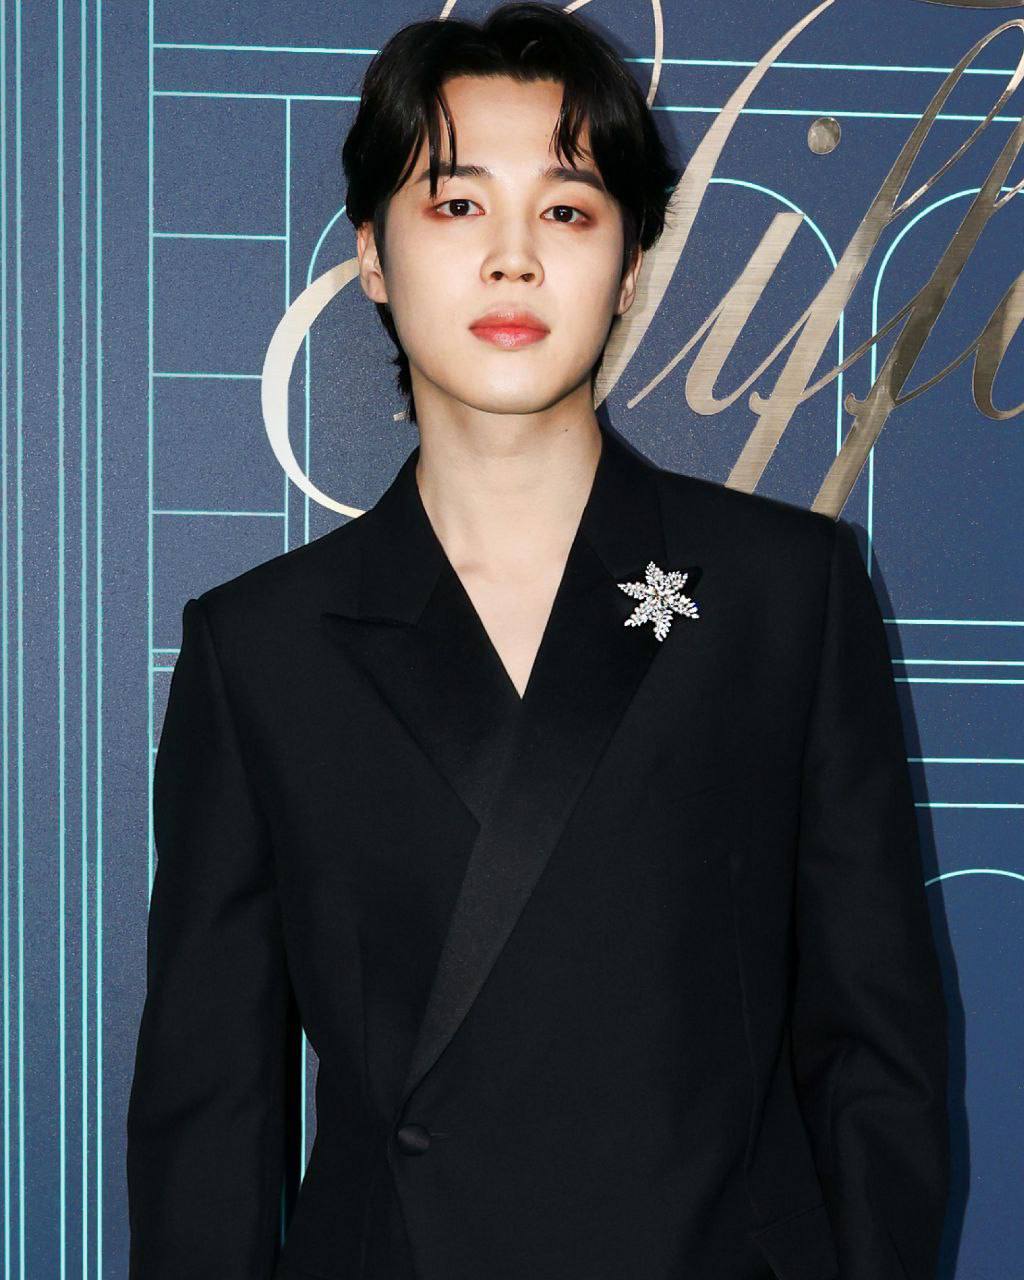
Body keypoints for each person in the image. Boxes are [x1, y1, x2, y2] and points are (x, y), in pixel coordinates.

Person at [125, 5, 951, 1279]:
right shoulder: (261, 649)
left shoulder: (786, 595)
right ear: (373, 255)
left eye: (566, 210)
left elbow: (876, 1057)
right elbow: (209, 1121)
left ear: (629, 261)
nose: (512, 259)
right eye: (457, 205)